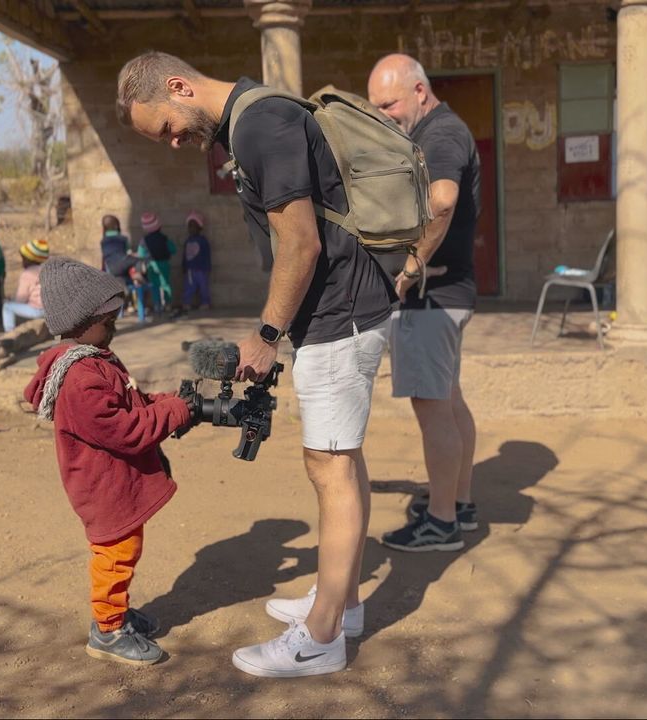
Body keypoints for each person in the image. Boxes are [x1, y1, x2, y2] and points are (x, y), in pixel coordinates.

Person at [117, 51, 396, 677]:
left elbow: (300, 241)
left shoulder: (259, 125)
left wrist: (267, 334)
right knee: (342, 458)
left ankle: (321, 637)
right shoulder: (257, 119)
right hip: (342, 309)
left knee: (327, 466)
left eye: (165, 127)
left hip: (337, 312)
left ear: (180, 87)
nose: (172, 143)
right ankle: (341, 603)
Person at [23, 256, 197, 665]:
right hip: (103, 487)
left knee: (125, 548)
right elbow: (125, 429)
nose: (115, 325)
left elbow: (130, 404)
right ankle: (107, 630)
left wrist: (170, 400)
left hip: (114, 482)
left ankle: (115, 613)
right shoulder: (81, 377)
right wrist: (174, 414)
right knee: (114, 555)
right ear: (82, 323)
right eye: (109, 319)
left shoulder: (96, 359)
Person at [368, 54, 481, 551]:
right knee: (449, 400)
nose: (383, 113)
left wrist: (410, 270)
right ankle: (458, 502)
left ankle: (441, 522)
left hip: (433, 296)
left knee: (433, 407)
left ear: (418, 91)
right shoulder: (435, 131)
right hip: (449, 292)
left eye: (388, 103)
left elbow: (442, 200)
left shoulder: (439, 134)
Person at [100, 214, 148, 322]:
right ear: (117, 226)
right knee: (137, 260)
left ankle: (123, 288)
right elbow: (126, 252)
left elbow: (104, 259)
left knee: (119, 278)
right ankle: (137, 274)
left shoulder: (103, 242)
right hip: (124, 263)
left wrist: (104, 272)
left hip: (113, 269)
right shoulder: (123, 239)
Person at [2, 238, 49, 332]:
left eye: (24, 259)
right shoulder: (46, 270)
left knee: (7, 307)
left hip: (37, 310)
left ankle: (10, 332)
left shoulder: (28, 274)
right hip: (49, 310)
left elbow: (21, 299)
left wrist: (12, 301)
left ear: (30, 259)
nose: (22, 261)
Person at [137, 211, 176, 313]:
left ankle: (157, 305)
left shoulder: (143, 240)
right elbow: (173, 249)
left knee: (155, 286)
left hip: (150, 266)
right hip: (164, 264)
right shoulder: (164, 238)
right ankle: (168, 304)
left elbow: (140, 254)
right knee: (165, 284)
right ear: (159, 225)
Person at [181, 210, 212, 311]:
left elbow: (207, 255)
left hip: (202, 269)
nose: (191, 228)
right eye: (189, 226)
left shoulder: (203, 241)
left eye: (193, 225)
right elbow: (185, 256)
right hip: (191, 270)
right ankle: (187, 303)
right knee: (189, 287)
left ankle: (205, 303)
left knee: (203, 287)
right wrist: (184, 266)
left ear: (199, 227)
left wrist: (207, 267)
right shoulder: (188, 241)